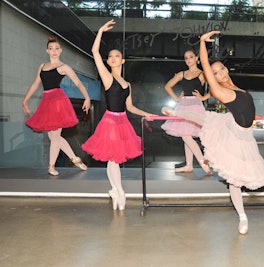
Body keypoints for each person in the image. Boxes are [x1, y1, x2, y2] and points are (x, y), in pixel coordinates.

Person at [162, 31, 264, 234]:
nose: (220, 74)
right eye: (216, 73)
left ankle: (178, 112)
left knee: (208, 121)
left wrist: (256, 115)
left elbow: (246, 106)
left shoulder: (235, 87)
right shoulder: (221, 91)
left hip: (243, 133)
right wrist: (202, 43)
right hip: (236, 135)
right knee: (234, 180)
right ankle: (243, 217)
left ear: (226, 69)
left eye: (221, 69)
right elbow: (206, 67)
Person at [82, 19, 154, 211]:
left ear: (122, 61)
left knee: (113, 159)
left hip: (123, 122)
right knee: (113, 159)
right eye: (110, 56)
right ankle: (120, 191)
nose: (113, 58)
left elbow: (130, 107)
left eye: (117, 56)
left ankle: (115, 190)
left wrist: (147, 114)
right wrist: (100, 32)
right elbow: (94, 52)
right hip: (110, 121)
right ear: (108, 61)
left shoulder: (127, 84)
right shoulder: (107, 77)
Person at [22, 36, 91, 176]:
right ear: (47, 51)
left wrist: (87, 98)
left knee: (55, 136)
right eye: (51, 48)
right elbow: (36, 83)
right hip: (46, 101)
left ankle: (52, 166)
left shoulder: (63, 67)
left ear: (61, 51)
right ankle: (74, 159)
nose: (54, 51)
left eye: (57, 48)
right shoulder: (42, 66)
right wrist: (25, 100)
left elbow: (77, 83)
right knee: (53, 137)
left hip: (58, 101)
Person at [161, 50, 212, 175]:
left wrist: (204, 97)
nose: (188, 60)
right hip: (183, 106)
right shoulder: (182, 74)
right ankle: (189, 165)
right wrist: (177, 98)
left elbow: (216, 86)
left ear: (196, 58)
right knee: (186, 135)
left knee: (186, 136)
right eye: (186, 58)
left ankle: (202, 162)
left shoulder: (202, 74)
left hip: (195, 106)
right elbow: (167, 86)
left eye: (191, 57)